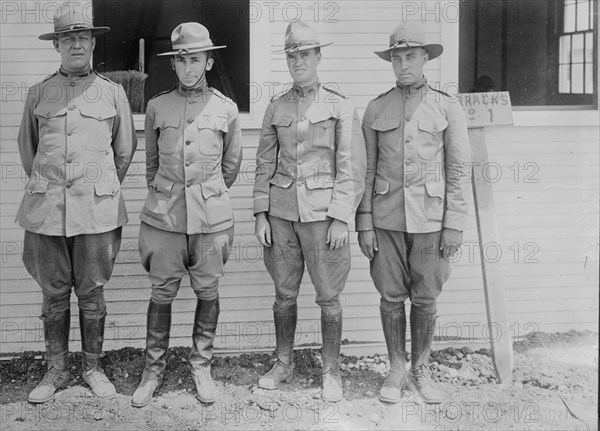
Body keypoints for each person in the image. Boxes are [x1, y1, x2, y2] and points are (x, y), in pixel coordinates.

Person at [16, 3, 137, 403]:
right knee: (53, 293)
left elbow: (124, 152)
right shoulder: (39, 93)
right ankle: (55, 370)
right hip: (47, 211)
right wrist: (55, 189)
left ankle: (93, 367)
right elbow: (29, 152)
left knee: (92, 292)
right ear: (57, 45)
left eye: (83, 37)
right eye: (68, 38)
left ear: (92, 43)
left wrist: (96, 190)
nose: (76, 44)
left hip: (96, 212)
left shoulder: (112, 92)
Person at [356, 22, 471, 404]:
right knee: (390, 297)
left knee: (425, 298)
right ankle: (395, 368)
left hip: (431, 222)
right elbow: (367, 171)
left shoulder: (446, 105)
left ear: (425, 59)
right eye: (397, 57)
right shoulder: (376, 108)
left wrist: (454, 223)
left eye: (411, 56)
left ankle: (421, 370)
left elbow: (457, 169)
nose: (403, 64)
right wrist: (364, 222)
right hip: (386, 220)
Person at [253, 21, 366, 402]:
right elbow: (264, 164)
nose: (298, 61)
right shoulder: (276, 106)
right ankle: (283, 364)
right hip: (282, 214)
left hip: (322, 219)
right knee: (283, 293)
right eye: (292, 56)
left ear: (318, 56)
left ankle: (330, 372)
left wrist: (340, 216)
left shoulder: (338, 104)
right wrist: (259, 214)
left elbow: (351, 165)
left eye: (305, 54)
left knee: (328, 296)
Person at [132, 22, 242, 407]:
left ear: (209, 62)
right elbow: (150, 167)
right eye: (181, 60)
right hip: (164, 220)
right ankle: (152, 370)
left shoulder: (226, 109)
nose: (189, 67)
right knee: (161, 291)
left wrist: (206, 197)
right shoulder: (157, 106)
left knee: (208, 290)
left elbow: (231, 168)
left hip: (211, 223)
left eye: (196, 59)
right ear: (173, 65)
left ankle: (201, 366)